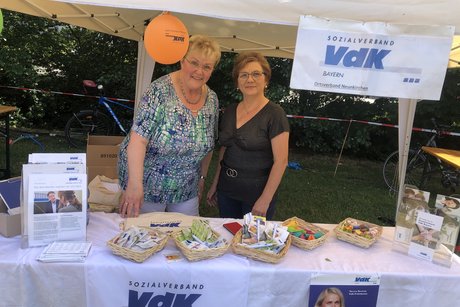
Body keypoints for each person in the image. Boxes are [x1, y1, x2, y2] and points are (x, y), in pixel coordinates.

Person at [118, 35, 221, 218]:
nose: (199, 71)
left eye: (207, 67)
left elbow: (209, 145)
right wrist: (135, 184)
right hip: (147, 183)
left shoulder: (212, 99)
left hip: (187, 185)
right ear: (182, 60)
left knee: (187, 237)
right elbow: (138, 140)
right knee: (145, 238)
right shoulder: (159, 91)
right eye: (194, 63)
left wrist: (202, 178)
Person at [207, 51, 290, 219]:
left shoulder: (274, 114)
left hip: (256, 195)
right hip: (227, 190)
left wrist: (265, 200)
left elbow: (281, 161)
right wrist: (215, 184)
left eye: (256, 74)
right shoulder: (229, 111)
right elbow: (225, 149)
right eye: (243, 75)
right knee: (228, 237)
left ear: (266, 80)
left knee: (252, 243)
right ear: (237, 82)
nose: (249, 79)